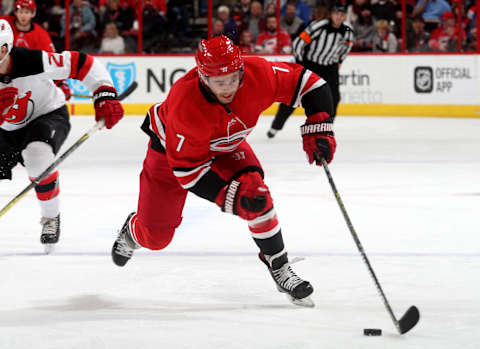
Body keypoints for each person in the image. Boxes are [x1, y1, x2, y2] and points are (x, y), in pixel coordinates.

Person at [111, 35, 337, 307]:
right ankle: (133, 232)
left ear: (241, 68)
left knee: (257, 194)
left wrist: (319, 124)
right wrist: (230, 198)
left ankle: (278, 264)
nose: (228, 87)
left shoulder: (258, 73)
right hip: (170, 155)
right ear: (203, 78)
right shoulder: (186, 106)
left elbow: (310, 83)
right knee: (156, 238)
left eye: (233, 78)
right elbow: (189, 173)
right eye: (220, 82)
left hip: (226, 146)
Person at [0, 19, 124, 253]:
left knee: (36, 156)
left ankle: (50, 217)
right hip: (6, 131)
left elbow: (82, 63)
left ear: (5, 49)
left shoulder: (32, 60)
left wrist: (104, 92)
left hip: (46, 115)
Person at [267, 1, 353, 138]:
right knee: (294, 95)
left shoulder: (347, 31)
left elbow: (347, 46)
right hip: (311, 64)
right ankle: (276, 126)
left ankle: (326, 128)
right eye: (337, 13)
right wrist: (301, 62)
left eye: (342, 15)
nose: (339, 17)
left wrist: (340, 61)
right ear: (331, 14)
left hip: (330, 68)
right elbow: (298, 43)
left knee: (333, 98)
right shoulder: (318, 26)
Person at [0, 0, 71, 101]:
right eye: (21, 12)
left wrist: (60, 83)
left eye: (27, 12)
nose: (23, 16)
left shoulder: (41, 35)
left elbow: (51, 60)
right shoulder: (4, 23)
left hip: (26, 81)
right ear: (15, 12)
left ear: (33, 13)